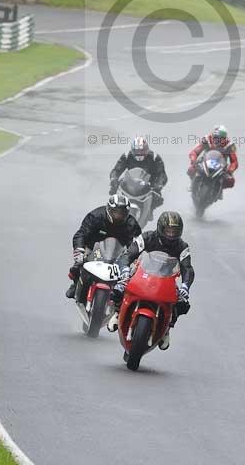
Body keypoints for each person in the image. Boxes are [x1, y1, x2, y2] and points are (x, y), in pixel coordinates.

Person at [108, 211, 194, 351]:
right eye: (168, 231)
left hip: (167, 279)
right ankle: (117, 312)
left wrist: (185, 287)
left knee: (182, 302)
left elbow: (187, 268)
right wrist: (124, 270)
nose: (171, 234)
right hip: (141, 273)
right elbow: (128, 254)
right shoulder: (146, 237)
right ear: (160, 228)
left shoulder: (182, 246)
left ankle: (167, 328)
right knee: (119, 287)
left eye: (174, 231)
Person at [65, 193, 142, 299]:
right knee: (78, 265)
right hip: (93, 248)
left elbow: (139, 241)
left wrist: (137, 257)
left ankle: (119, 296)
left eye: (122, 213)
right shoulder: (95, 216)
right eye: (115, 212)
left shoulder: (132, 223)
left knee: (131, 273)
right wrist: (79, 251)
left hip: (120, 253)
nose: (118, 216)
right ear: (109, 210)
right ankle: (75, 284)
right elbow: (81, 234)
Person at [109, 136, 167, 210]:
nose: (139, 154)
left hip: (149, 187)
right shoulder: (126, 156)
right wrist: (114, 180)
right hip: (130, 184)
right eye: (137, 151)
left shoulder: (154, 157)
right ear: (132, 150)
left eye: (142, 151)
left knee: (156, 201)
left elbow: (162, 174)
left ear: (147, 149)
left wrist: (158, 185)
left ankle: (149, 212)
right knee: (115, 196)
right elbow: (116, 170)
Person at [187, 124, 238, 189]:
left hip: (221, 167)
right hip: (204, 162)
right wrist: (193, 160)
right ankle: (192, 184)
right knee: (191, 169)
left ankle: (219, 188)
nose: (218, 140)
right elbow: (194, 152)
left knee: (230, 181)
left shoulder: (229, 145)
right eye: (216, 137)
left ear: (225, 138)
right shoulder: (207, 139)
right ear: (213, 136)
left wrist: (230, 169)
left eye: (221, 138)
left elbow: (234, 161)